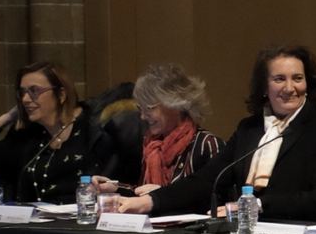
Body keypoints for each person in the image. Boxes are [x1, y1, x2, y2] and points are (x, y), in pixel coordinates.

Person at [115, 45, 316, 223]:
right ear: (264, 87)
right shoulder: (250, 129)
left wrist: (257, 205)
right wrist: (149, 201)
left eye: (298, 78)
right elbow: (207, 180)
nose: (290, 88)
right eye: (279, 79)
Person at [0, 60, 136, 203]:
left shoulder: (95, 128)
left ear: (61, 94)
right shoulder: (29, 138)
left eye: (34, 91)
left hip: (87, 223)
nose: (25, 99)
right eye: (22, 93)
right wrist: (9, 116)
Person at [92, 63, 222, 197]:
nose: (142, 116)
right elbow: (144, 193)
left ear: (175, 104)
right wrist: (115, 188)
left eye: (149, 108)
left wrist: (162, 195)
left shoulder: (207, 144)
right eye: (140, 108)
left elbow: (215, 197)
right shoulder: (152, 144)